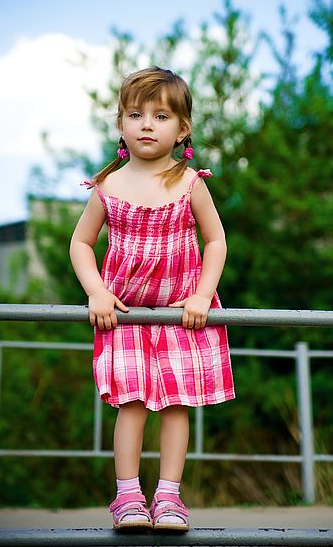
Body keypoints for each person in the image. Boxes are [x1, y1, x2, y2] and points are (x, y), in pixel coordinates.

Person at [70, 66, 235, 532]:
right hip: (124, 315)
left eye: (160, 116)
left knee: (176, 402)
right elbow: (80, 244)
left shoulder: (189, 183)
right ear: (120, 124)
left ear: (182, 129)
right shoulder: (109, 186)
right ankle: (127, 498)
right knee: (133, 402)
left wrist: (203, 295)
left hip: (183, 312)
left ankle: (168, 498)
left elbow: (216, 240)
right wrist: (97, 291)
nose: (146, 124)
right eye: (135, 114)